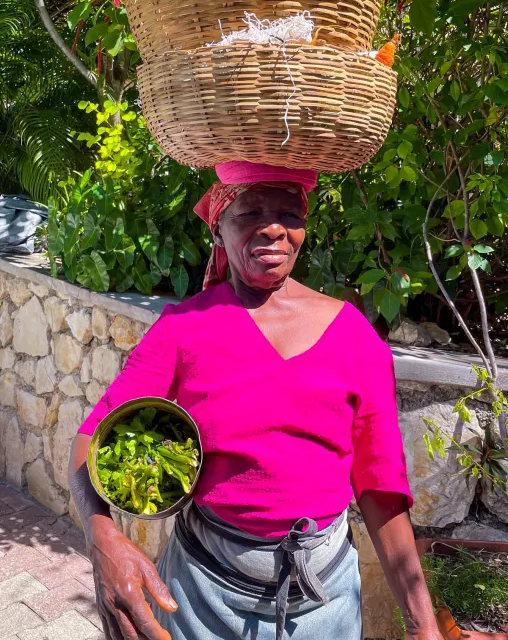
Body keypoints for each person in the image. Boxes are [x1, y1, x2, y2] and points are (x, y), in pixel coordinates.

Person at [69, 161, 444, 640]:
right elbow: (91, 437)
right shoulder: (183, 329)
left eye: (289, 213)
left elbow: (380, 485)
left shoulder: (355, 337)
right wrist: (101, 536)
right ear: (219, 229)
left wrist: (423, 625)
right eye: (250, 213)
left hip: (323, 607)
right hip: (202, 600)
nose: (273, 227)